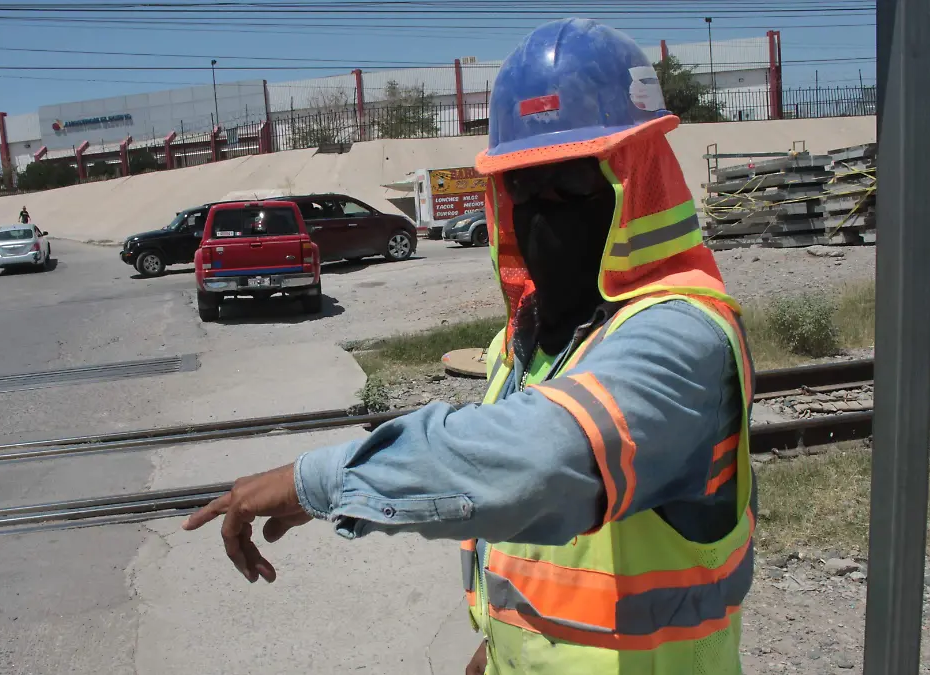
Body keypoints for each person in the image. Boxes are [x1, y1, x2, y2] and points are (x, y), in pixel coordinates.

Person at [184, 18, 756, 674]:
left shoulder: (683, 337)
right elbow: (530, 549)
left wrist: (315, 480)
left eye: (571, 182)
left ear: (639, 173)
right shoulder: (528, 343)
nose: (542, 208)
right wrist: (500, 643)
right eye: (522, 185)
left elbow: (535, 464)